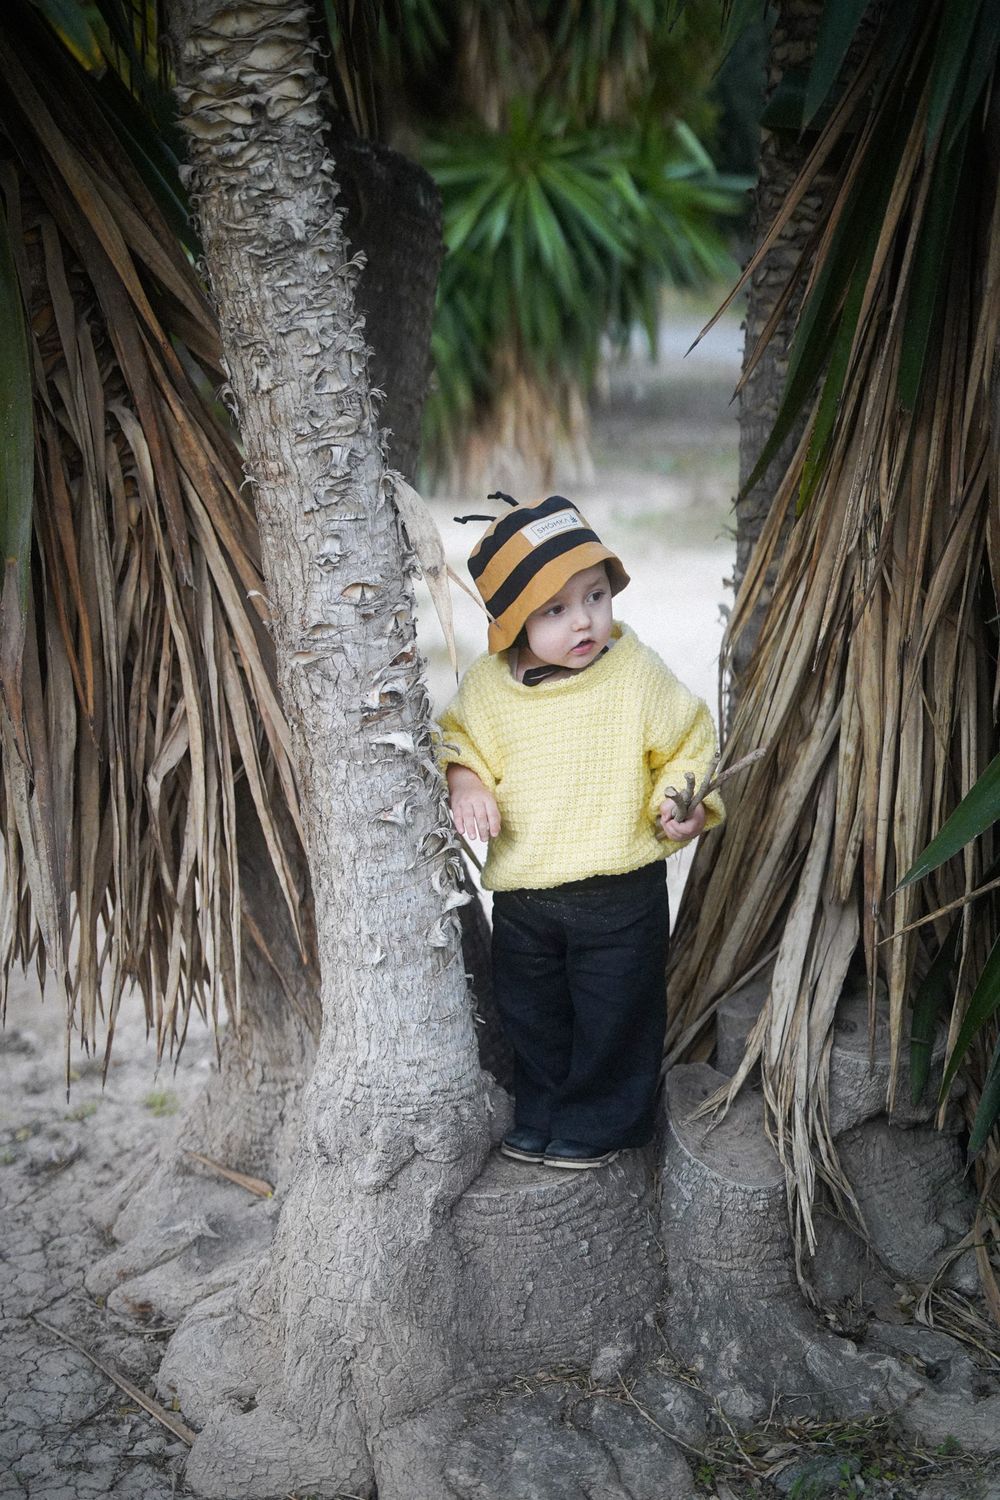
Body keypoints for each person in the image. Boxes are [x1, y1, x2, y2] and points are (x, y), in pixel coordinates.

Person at [437, 493, 723, 1170]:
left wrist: (680, 801)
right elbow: (457, 740)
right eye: (555, 610)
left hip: (619, 891)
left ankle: (601, 1122)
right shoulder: (489, 689)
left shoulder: (634, 671)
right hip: (525, 897)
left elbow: (689, 743)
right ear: (511, 624)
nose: (585, 620)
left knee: (614, 1011)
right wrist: (466, 782)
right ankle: (543, 1111)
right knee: (532, 1011)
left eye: (595, 596)